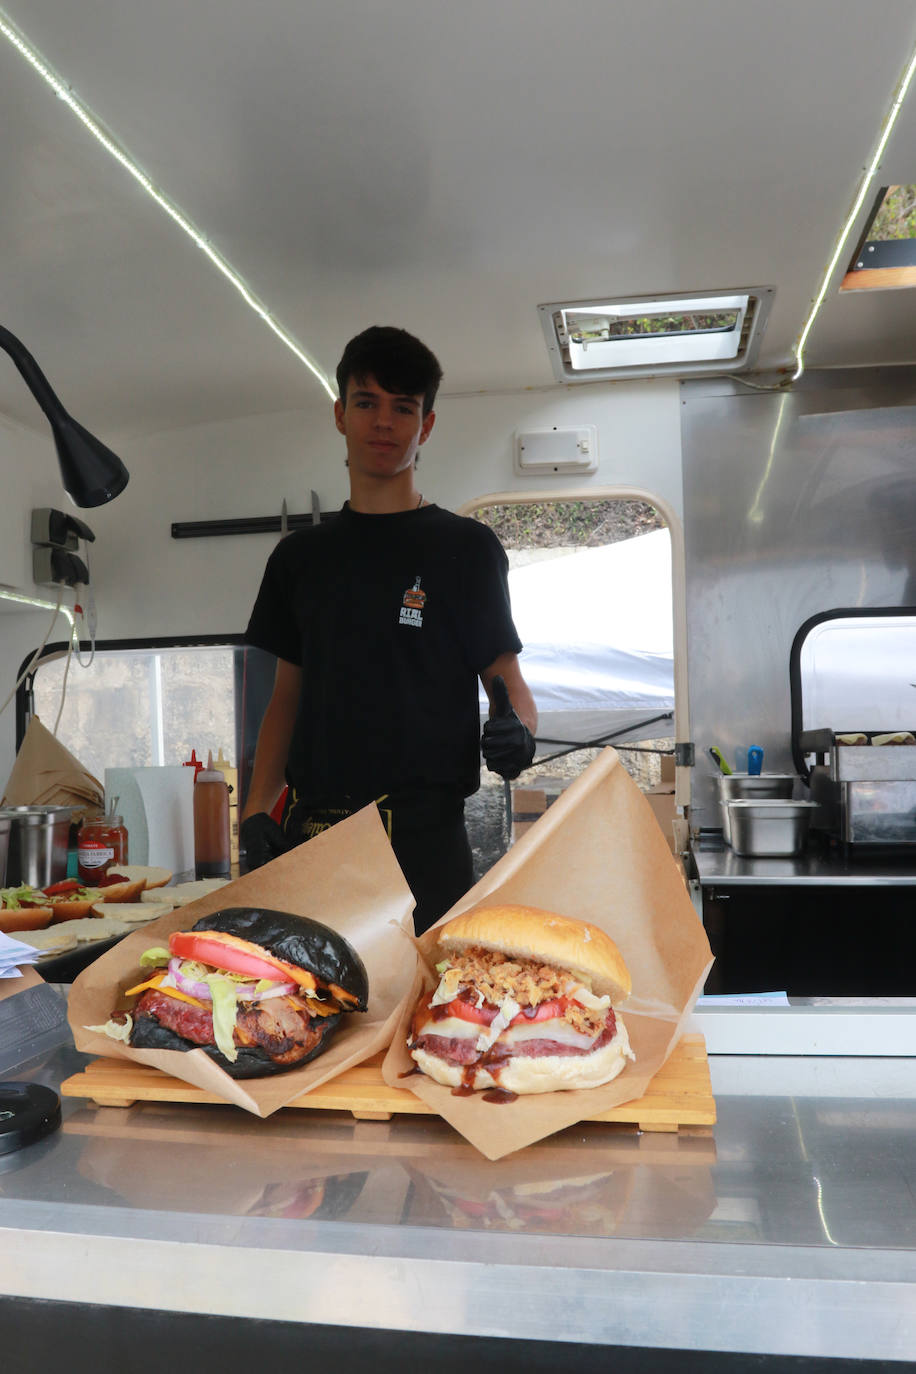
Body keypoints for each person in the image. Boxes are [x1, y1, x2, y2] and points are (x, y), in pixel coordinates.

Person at [240, 325, 537, 932]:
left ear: (425, 425)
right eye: (366, 402)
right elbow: (285, 701)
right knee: (319, 1013)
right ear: (340, 413)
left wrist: (521, 735)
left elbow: (508, 683)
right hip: (319, 835)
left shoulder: (466, 548)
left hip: (428, 838)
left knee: (429, 1012)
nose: (383, 422)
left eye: (403, 408)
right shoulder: (298, 559)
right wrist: (253, 810)